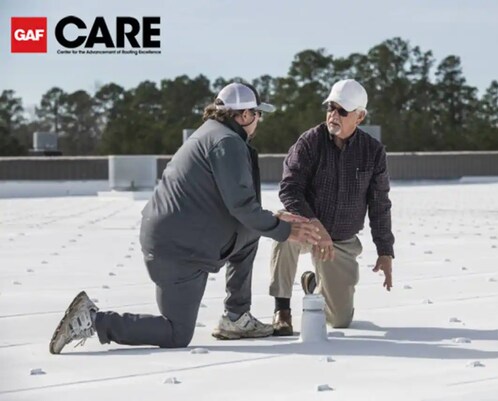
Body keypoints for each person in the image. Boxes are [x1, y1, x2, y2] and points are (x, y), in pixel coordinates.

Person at [49, 82, 321, 354]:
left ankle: (236, 318)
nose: (259, 120)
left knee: (249, 236)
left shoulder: (212, 133)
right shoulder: (227, 142)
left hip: (175, 236)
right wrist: (286, 230)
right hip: (177, 250)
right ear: (245, 115)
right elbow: (241, 207)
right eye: (257, 114)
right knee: (176, 333)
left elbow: (238, 209)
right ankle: (93, 320)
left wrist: (271, 220)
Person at [269, 79, 394, 335]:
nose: (333, 116)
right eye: (330, 108)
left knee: (339, 321)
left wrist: (385, 251)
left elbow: (379, 203)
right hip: (309, 228)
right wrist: (314, 224)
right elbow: (289, 188)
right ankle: (281, 310)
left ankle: (314, 286)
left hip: (341, 239)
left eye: (342, 111)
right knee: (284, 230)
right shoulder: (309, 142)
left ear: (360, 117)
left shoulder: (373, 151)